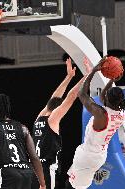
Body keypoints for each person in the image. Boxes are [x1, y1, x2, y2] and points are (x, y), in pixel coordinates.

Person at [67, 57, 125, 189]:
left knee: (73, 186)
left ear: (108, 101)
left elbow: (82, 94)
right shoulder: (121, 113)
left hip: (88, 156)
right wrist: (112, 80)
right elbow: (103, 97)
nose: (103, 96)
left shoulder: (101, 115)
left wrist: (93, 71)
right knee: (73, 180)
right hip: (97, 156)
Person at [31, 58, 91, 189]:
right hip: (45, 171)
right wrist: (87, 75)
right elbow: (71, 96)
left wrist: (69, 77)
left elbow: (54, 97)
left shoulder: (39, 118)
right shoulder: (53, 119)